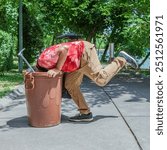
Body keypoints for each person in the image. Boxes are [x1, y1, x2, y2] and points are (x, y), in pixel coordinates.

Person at [36, 40, 138, 122]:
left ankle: (121, 59)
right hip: (75, 63)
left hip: (83, 52)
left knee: (100, 79)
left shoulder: (44, 60)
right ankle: (85, 113)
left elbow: (63, 49)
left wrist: (57, 69)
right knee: (70, 85)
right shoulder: (46, 63)